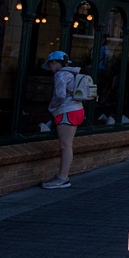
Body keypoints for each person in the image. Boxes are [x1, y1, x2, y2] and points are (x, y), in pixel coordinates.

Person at [41, 50, 84, 189]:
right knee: (68, 145)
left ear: (53, 62)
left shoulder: (60, 75)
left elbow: (60, 95)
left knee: (65, 146)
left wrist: (51, 108)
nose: (50, 69)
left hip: (66, 111)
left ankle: (63, 178)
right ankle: (62, 176)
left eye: (50, 66)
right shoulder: (73, 72)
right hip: (77, 109)